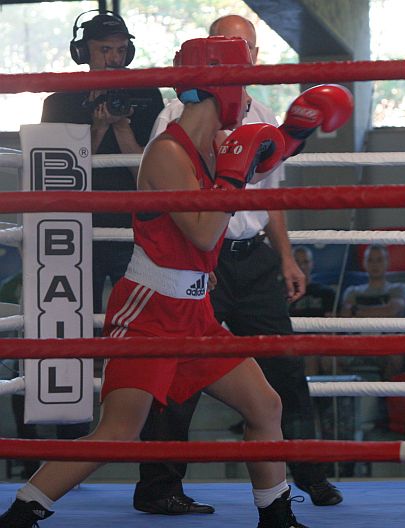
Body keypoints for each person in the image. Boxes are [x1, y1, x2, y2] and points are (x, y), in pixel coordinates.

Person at [0, 37, 310, 528]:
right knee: (118, 431)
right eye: (242, 82)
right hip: (150, 310)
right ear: (220, 86)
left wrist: (298, 131)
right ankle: (22, 512)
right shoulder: (168, 153)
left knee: (264, 404)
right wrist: (231, 180)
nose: (246, 94)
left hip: (194, 312)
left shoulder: (215, 145)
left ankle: (276, 517)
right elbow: (205, 232)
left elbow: (264, 157)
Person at [131, 15, 349, 514]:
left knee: (284, 368)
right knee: (178, 375)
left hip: (252, 260)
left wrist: (286, 256)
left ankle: (310, 474)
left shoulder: (264, 114)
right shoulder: (176, 115)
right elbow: (168, 195)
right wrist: (197, 257)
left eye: (244, 47)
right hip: (200, 262)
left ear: (254, 56)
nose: (237, 56)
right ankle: (160, 487)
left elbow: (270, 195)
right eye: (225, 46)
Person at [42, 10, 165, 317]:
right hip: (78, 228)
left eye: (121, 50)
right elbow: (60, 177)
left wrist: (121, 127)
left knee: (138, 317)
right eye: (105, 49)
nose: (114, 59)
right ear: (83, 52)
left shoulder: (148, 95)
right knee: (79, 316)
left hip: (134, 226)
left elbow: (151, 177)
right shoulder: (59, 102)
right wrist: (97, 130)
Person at [339, 244, 405, 380]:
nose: (374, 264)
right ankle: (350, 389)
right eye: (370, 260)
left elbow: (391, 311)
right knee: (327, 360)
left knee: (396, 357)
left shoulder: (399, 288)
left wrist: (356, 310)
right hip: (356, 345)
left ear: (387, 262)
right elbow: (345, 315)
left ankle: (384, 392)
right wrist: (380, 311)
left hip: (386, 346)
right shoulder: (352, 291)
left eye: (379, 260)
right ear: (364, 263)